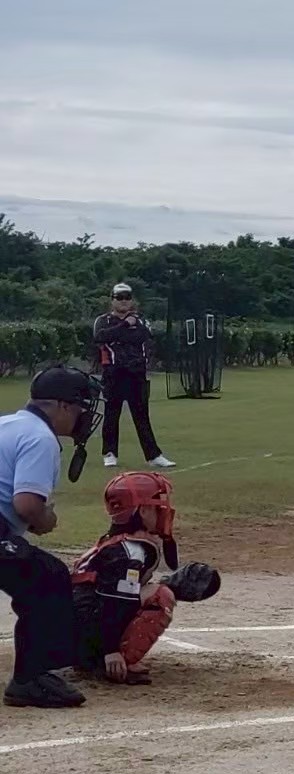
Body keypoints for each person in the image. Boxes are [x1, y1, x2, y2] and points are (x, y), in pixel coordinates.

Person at [0, 365, 102, 707]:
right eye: (80, 408)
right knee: (48, 577)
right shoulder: (41, 438)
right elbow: (27, 504)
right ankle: (31, 678)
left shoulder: (7, 424)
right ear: (62, 406)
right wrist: (45, 519)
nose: (83, 416)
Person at [71, 471, 221, 685]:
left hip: (74, 633)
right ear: (142, 510)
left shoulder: (114, 542)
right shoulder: (130, 552)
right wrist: (111, 651)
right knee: (161, 596)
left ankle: (94, 655)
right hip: (87, 637)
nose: (163, 510)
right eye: (156, 506)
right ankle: (119, 661)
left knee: (145, 590)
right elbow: (115, 602)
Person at [93, 282, 175, 470]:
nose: (123, 301)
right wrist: (124, 326)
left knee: (141, 416)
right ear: (112, 300)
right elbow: (100, 337)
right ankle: (110, 453)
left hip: (136, 373)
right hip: (113, 373)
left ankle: (153, 456)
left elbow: (142, 337)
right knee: (111, 414)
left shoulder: (141, 320)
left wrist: (118, 335)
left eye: (127, 297)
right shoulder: (103, 320)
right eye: (119, 297)